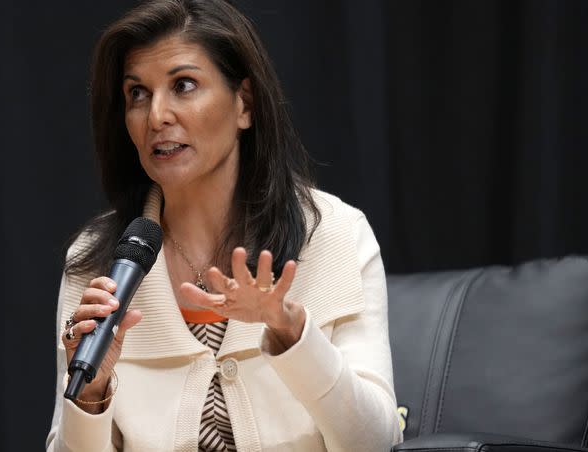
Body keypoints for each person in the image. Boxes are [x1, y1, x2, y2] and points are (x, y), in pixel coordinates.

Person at [47, 0, 403, 450]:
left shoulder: (333, 235)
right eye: (138, 93)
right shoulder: (96, 262)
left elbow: (377, 442)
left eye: (184, 85)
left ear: (245, 104)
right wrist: (92, 396)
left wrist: (292, 333)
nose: (157, 116)